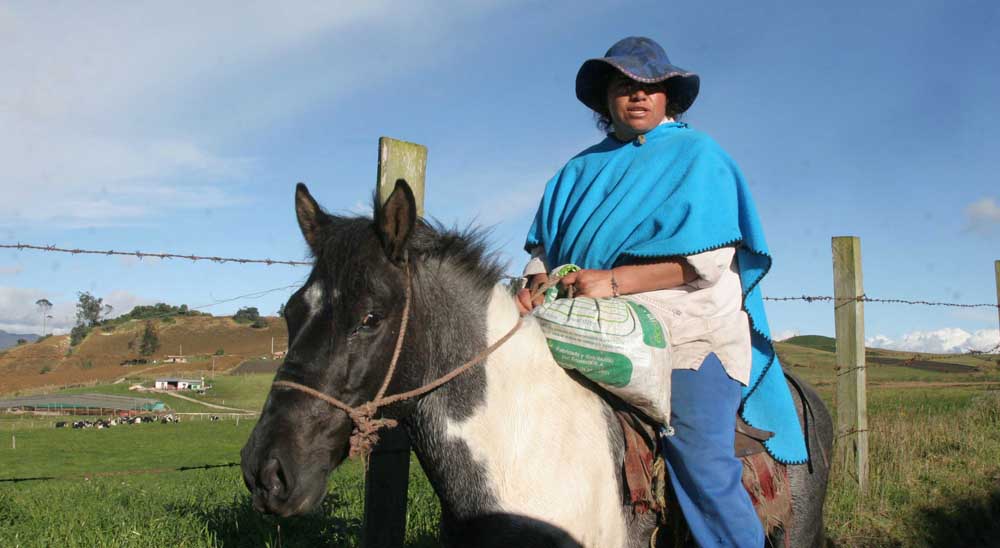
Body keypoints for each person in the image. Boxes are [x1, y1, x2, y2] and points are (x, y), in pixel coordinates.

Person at [515, 37, 808, 547]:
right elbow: (542, 252)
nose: (637, 96)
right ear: (606, 101)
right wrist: (536, 285)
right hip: (582, 326)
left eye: (650, 88)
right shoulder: (575, 170)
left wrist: (611, 282)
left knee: (701, 461)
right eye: (624, 87)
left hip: (687, 330)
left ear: (668, 97)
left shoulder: (699, 156)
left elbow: (709, 261)